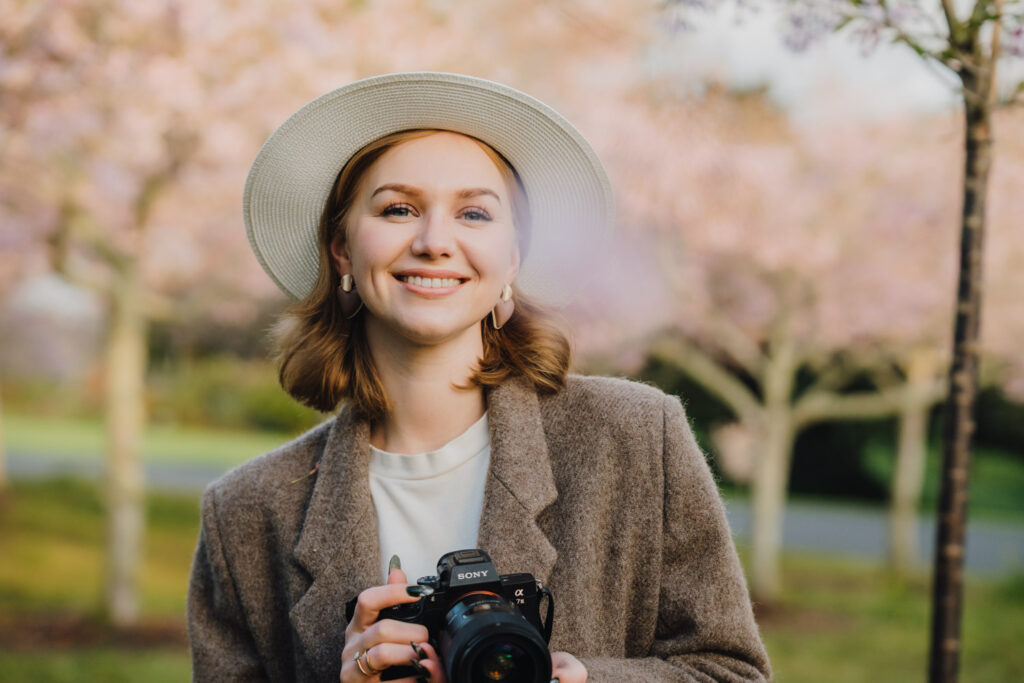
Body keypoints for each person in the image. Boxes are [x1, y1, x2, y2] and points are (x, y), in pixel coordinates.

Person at [187, 72, 771, 683]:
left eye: (474, 213)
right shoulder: (246, 514)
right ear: (341, 251)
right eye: (398, 209)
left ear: (513, 258)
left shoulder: (635, 439)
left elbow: (731, 672)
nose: (436, 242)